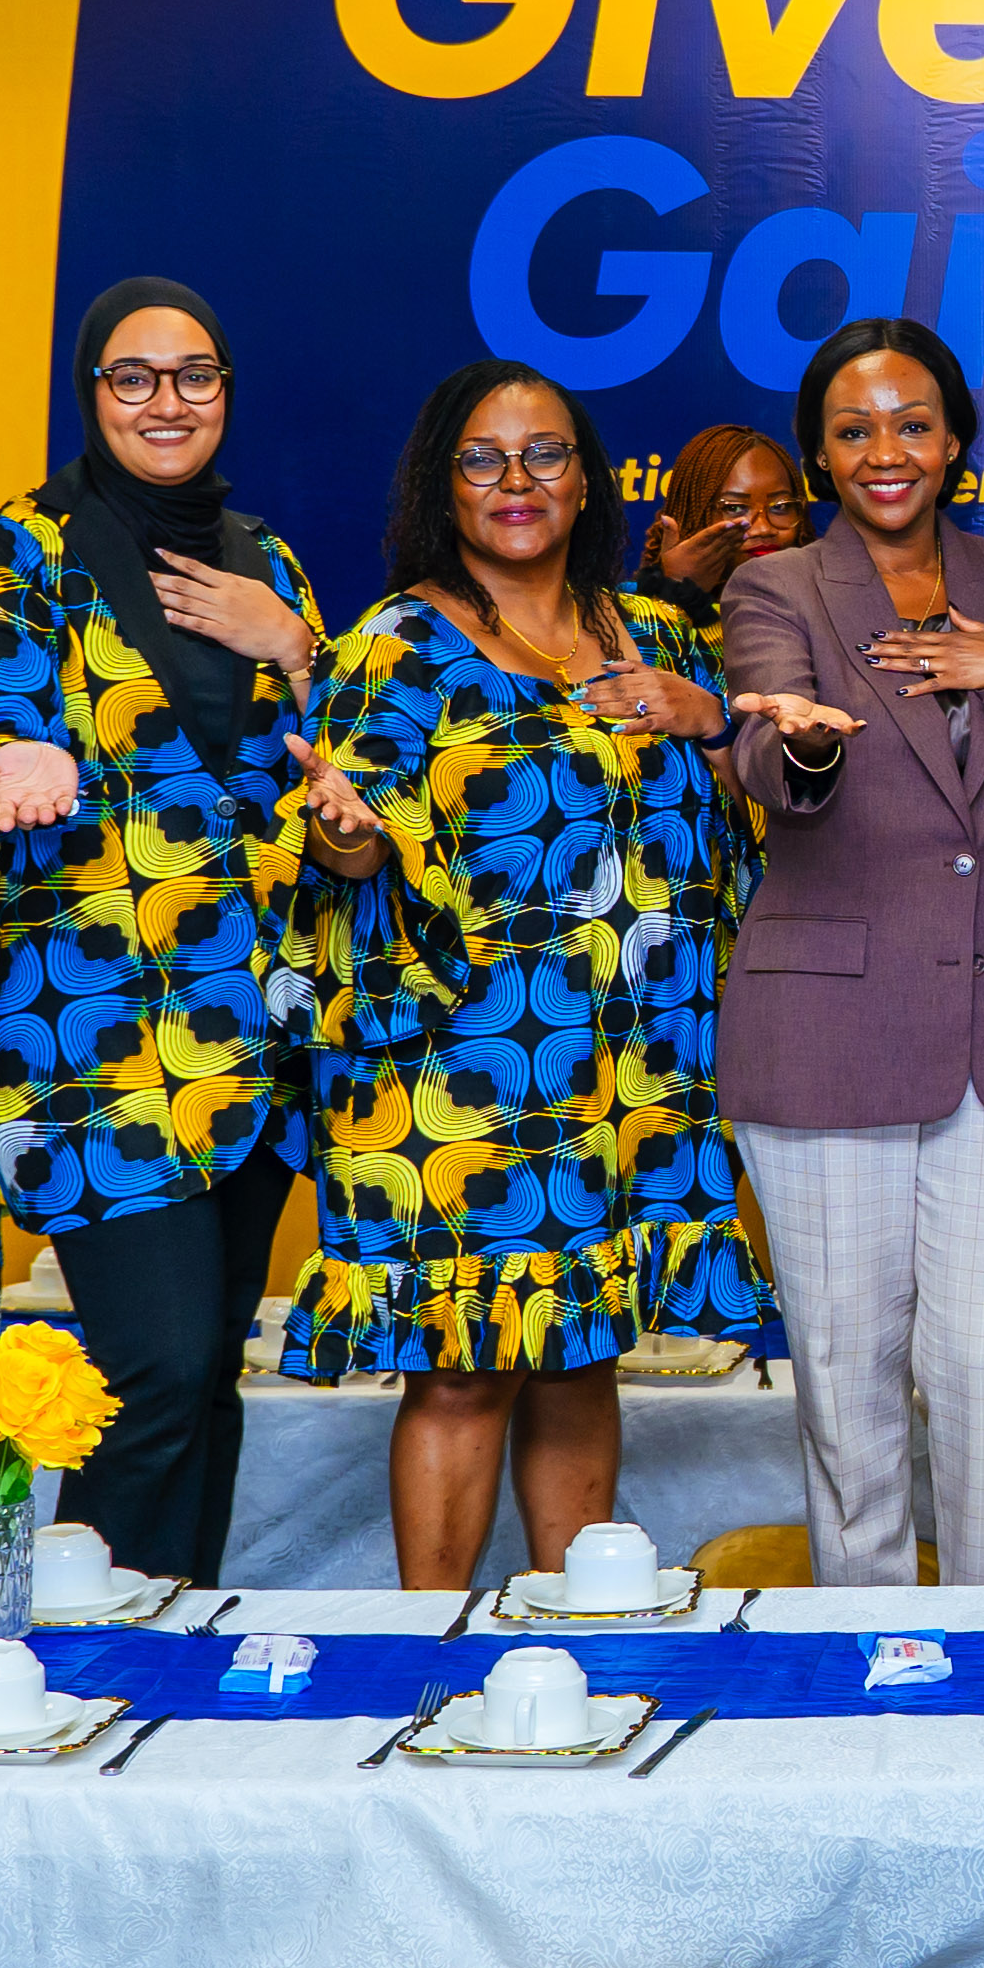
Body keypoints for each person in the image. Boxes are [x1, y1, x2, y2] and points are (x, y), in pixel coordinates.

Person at [284, 359, 762, 1588]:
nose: (516, 481)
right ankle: (424, 1664)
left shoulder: (653, 635)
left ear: (587, 478)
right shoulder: (393, 648)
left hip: (627, 1069)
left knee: (579, 1350)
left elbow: (732, 833)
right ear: (440, 486)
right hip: (462, 1072)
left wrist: (713, 725)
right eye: (483, 458)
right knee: (461, 1364)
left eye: (545, 453)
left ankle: (575, 1638)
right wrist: (343, 833)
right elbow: (351, 845)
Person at [0, 277, 329, 1587]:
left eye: (193, 374)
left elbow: (335, 754)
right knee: (151, 1366)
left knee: (209, 1366)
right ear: (91, 391)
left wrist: (297, 646)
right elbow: (4, 705)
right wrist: (24, 755)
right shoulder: (22, 545)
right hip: (99, 1029)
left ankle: (161, 1658)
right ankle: (70, 1647)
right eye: (133, 375)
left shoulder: (266, 557)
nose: (167, 401)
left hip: (254, 1020)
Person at [718, 320, 984, 1590]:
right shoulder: (778, 588)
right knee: (846, 1374)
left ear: (957, 442)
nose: (889, 451)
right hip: (828, 1028)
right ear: (821, 452)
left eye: (914, 423)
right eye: (857, 428)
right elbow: (768, 755)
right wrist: (807, 744)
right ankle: (867, 1664)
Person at [629, 425, 808, 636]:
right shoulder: (628, 616)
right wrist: (675, 593)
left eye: (780, 507)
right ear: (692, 517)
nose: (763, 528)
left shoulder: (826, 603)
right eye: (734, 508)